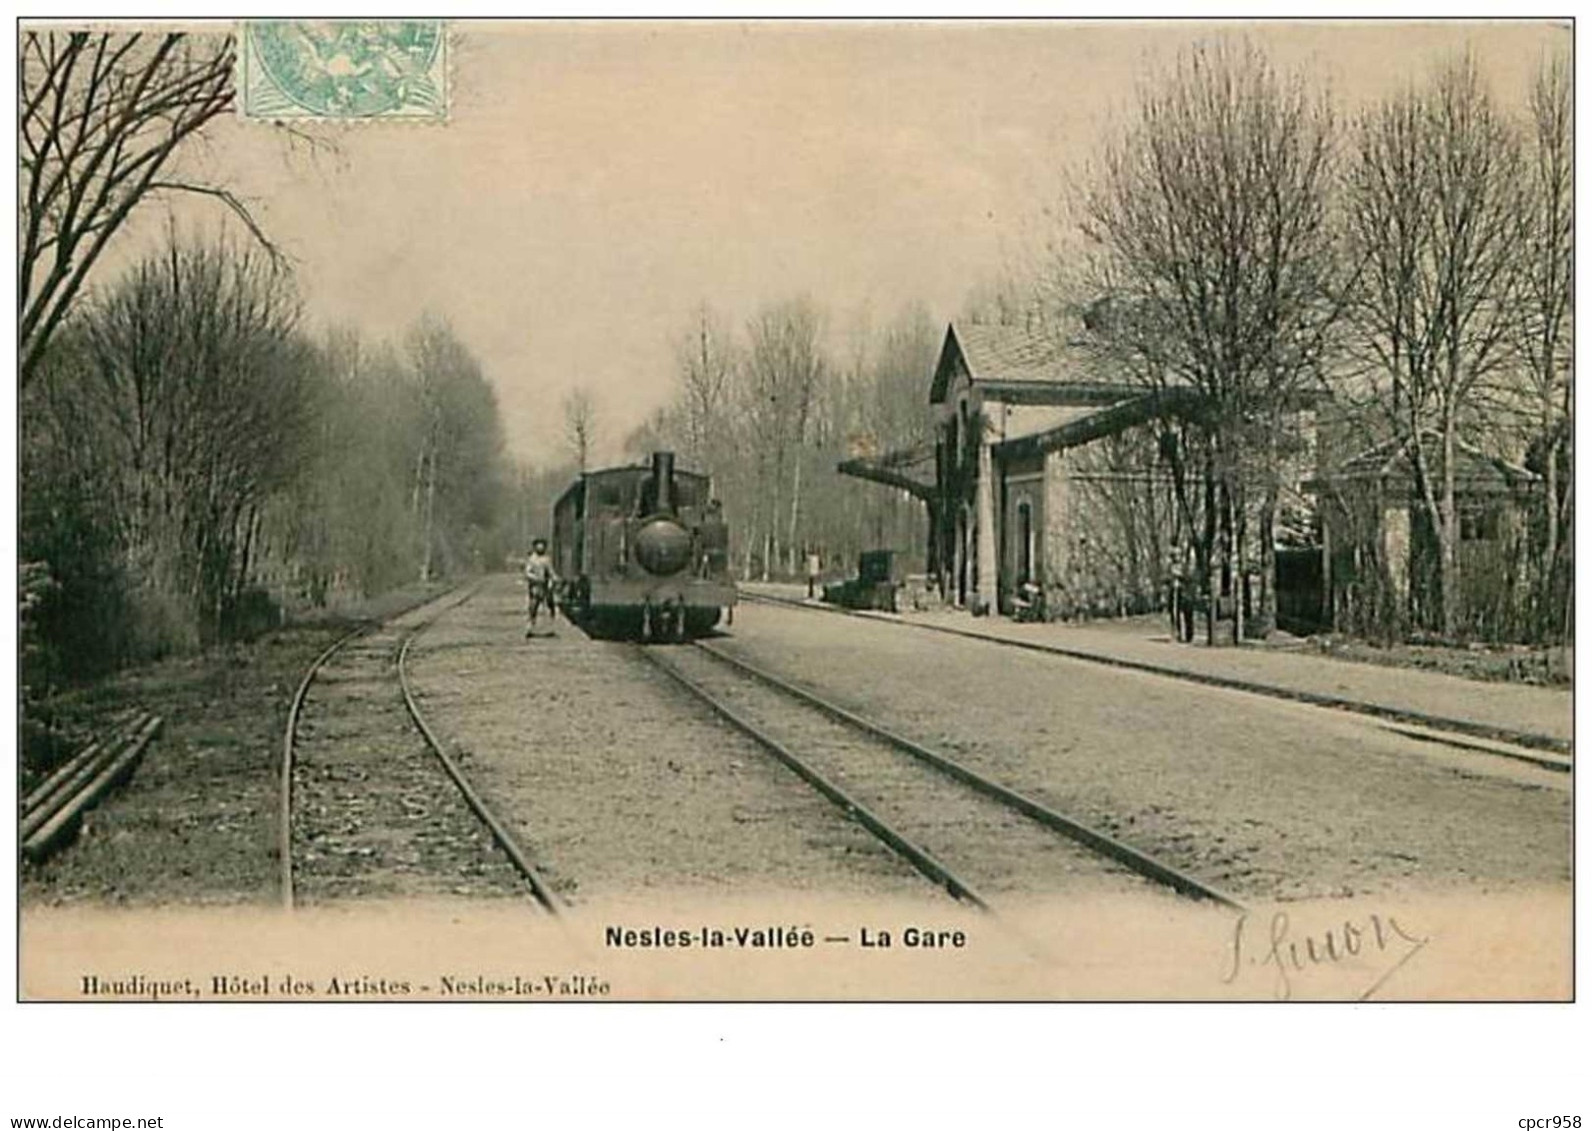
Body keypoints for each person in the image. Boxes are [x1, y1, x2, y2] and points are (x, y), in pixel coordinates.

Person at [524, 538, 559, 637]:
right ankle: (531, 625)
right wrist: (535, 578)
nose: (540, 547)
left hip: (545, 585)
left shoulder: (546, 559)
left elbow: (550, 571)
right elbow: (527, 573)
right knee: (533, 606)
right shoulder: (532, 559)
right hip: (535, 585)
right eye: (538, 546)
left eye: (542, 546)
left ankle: (550, 625)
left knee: (550, 604)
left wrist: (554, 579)